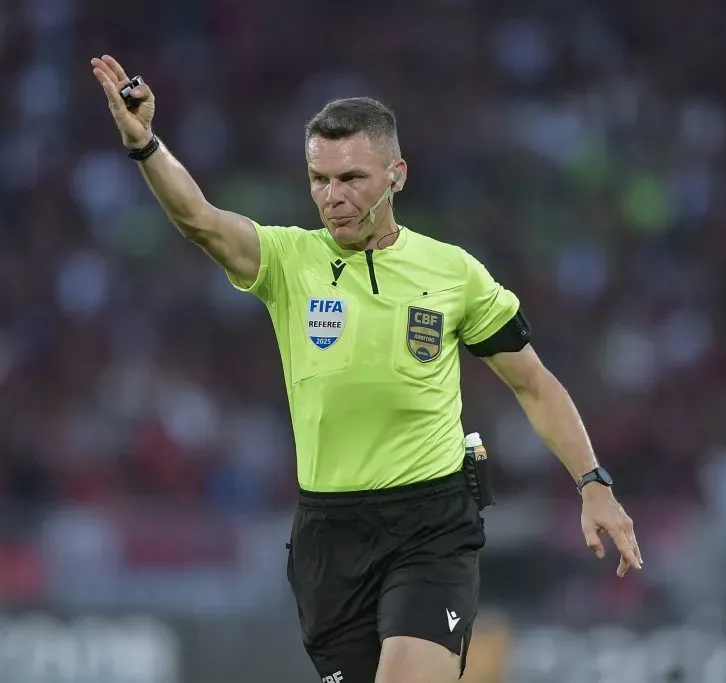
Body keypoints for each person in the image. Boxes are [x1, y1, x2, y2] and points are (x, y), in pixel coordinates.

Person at [89, 54, 643, 683]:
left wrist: (592, 483)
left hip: (430, 526)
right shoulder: (289, 261)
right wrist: (145, 145)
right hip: (329, 536)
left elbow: (533, 384)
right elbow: (201, 220)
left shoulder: (452, 273)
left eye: (351, 177)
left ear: (396, 175)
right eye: (319, 179)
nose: (333, 197)